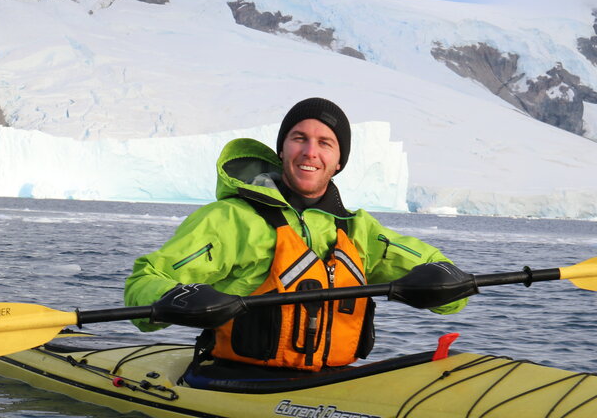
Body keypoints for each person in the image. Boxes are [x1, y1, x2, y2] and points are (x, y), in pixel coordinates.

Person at [125, 97, 469, 371]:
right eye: (299, 138)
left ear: (338, 162)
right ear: (282, 150)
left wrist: (444, 283)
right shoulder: (230, 220)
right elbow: (142, 285)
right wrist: (180, 298)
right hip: (236, 381)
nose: (310, 152)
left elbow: (453, 290)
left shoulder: (357, 230)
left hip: (332, 384)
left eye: (325, 143)